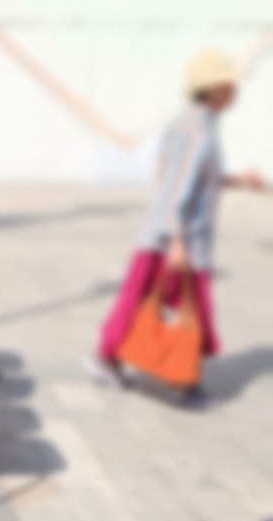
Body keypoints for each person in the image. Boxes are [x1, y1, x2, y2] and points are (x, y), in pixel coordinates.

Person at [86, 48, 265, 396]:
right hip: (174, 240)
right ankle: (176, 379)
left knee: (155, 303)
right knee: (174, 308)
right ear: (214, 88)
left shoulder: (202, 123)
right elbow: (172, 190)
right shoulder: (193, 128)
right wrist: (177, 243)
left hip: (178, 238)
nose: (235, 92)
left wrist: (238, 180)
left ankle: (166, 373)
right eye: (230, 85)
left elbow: (197, 180)